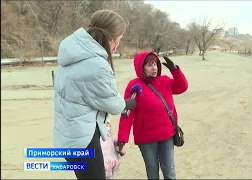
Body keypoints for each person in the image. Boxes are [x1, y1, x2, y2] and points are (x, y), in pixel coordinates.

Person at [53, 10, 136, 179]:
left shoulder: (71, 53)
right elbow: (112, 104)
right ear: (111, 38)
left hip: (67, 134)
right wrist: (127, 103)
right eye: (119, 39)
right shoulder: (97, 65)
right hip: (84, 140)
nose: (117, 46)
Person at [116, 52, 188, 179]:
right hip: (146, 138)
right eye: (149, 65)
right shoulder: (134, 85)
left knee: (169, 171)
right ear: (141, 67)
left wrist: (175, 70)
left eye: (155, 64)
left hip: (167, 135)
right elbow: (127, 114)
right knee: (152, 172)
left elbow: (182, 87)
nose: (154, 68)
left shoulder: (165, 81)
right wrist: (122, 139)